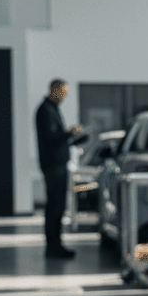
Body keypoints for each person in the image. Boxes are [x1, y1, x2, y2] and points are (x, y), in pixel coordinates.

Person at [35, 79, 86, 259]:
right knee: (55, 206)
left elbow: (56, 139)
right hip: (53, 165)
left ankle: (55, 245)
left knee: (58, 206)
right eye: (62, 92)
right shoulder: (46, 110)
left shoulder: (52, 109)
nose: (64, 96)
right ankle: (53, 246)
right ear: (54, 90)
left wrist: (73, 140)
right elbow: (50, 137)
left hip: (56, 164)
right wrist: (69, 133)